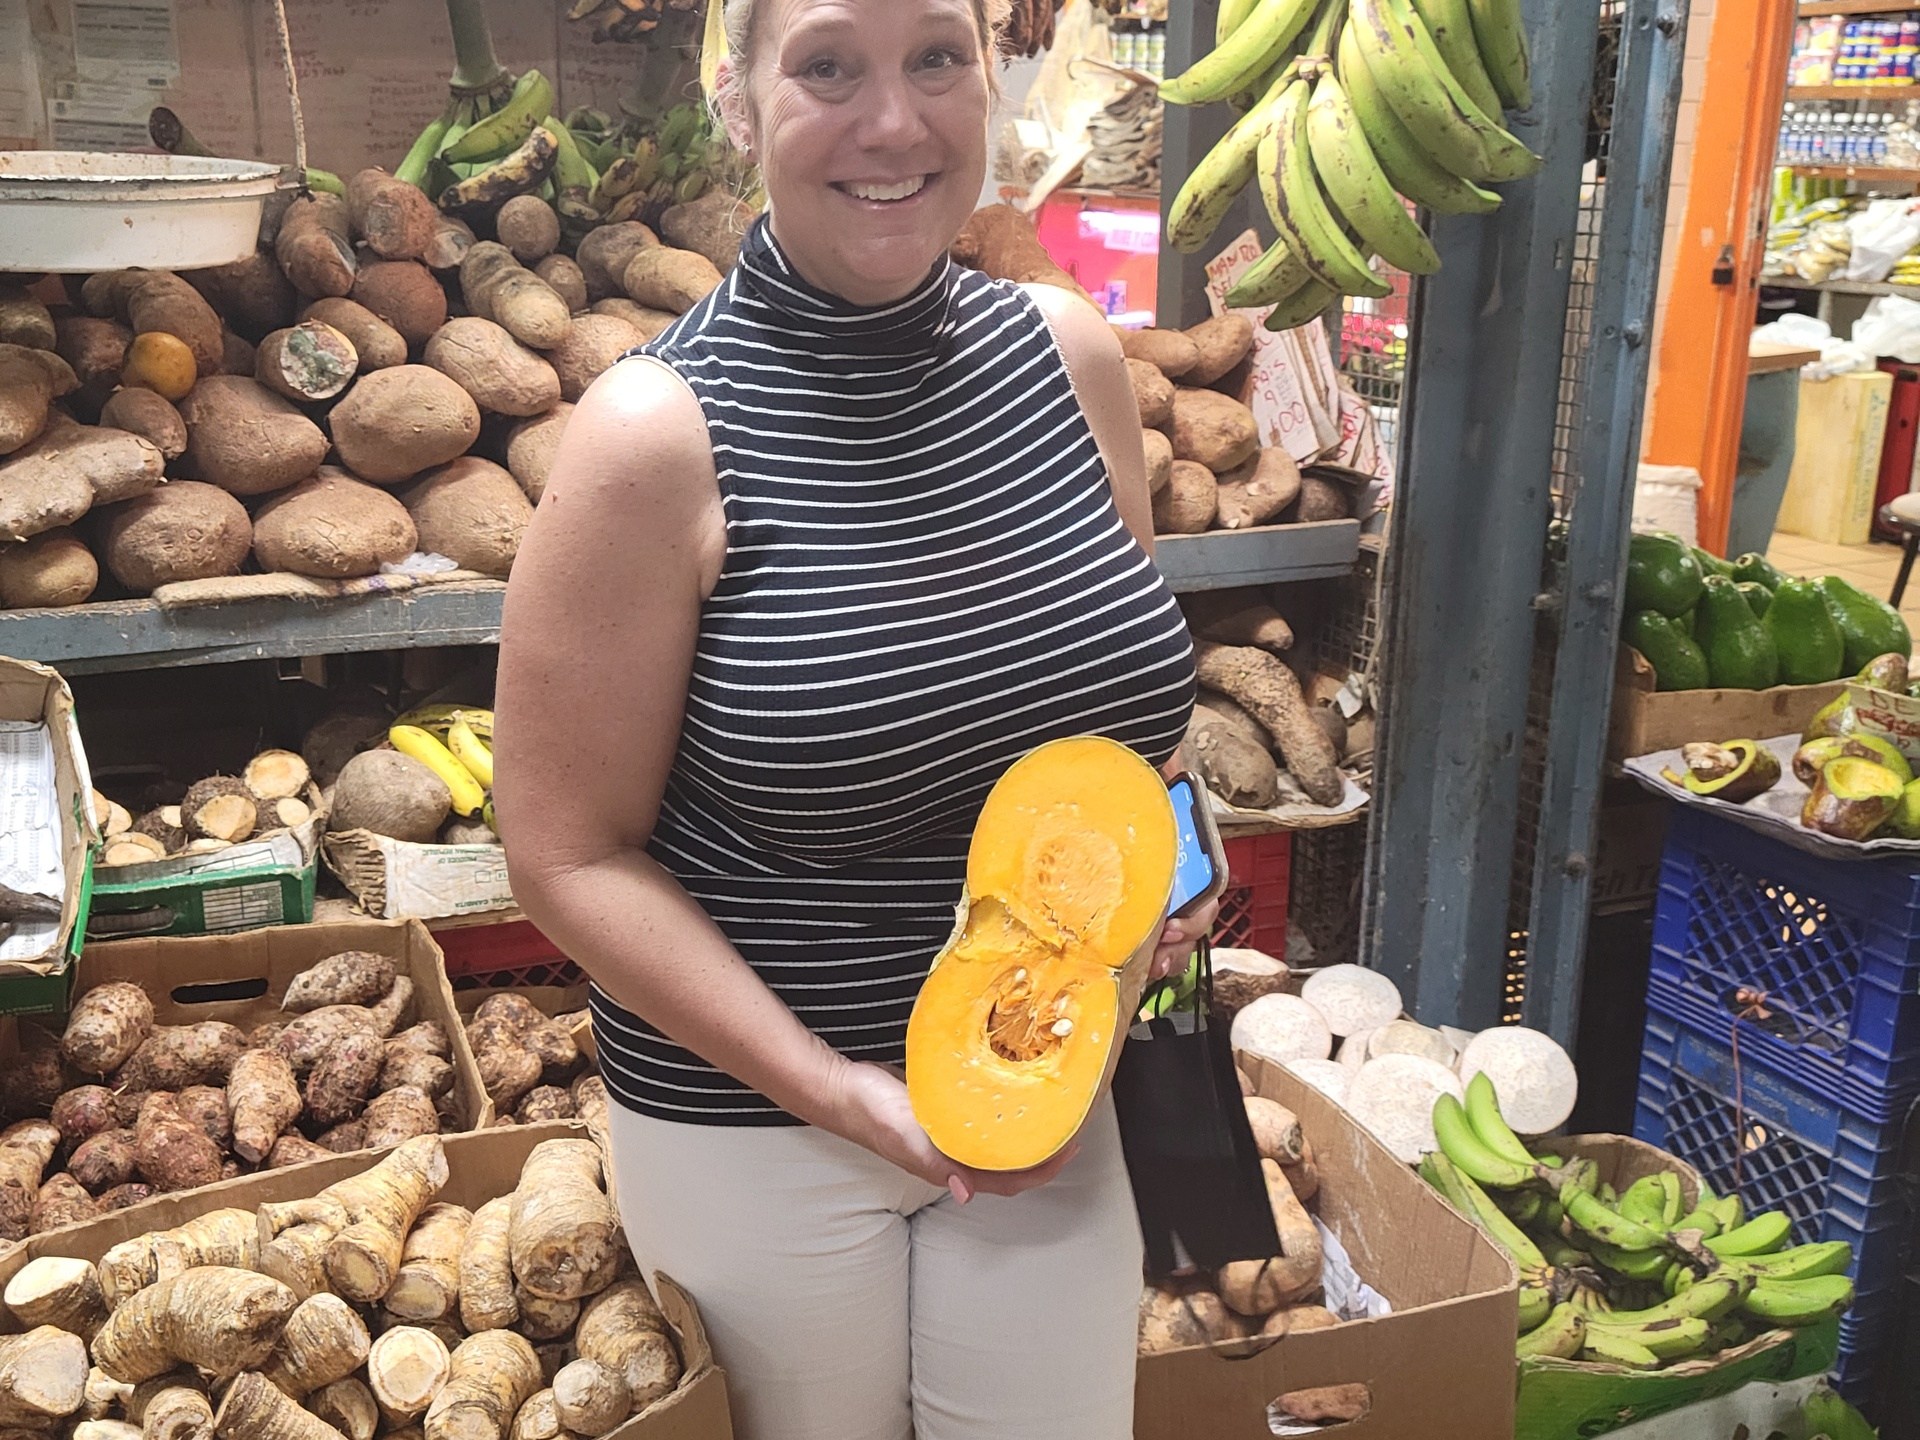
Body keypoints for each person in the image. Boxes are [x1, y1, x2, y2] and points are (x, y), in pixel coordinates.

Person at [494, 1, 1211, 1435]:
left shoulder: (1072, 359)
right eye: (829, 67)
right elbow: (566, 856)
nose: (897, 123)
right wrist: (834, 1088)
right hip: (763, 1123)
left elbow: (1136, 737)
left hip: (1059, 1083)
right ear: (741, 103)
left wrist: (1170, 884)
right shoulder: (655, 435)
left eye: (937, 59)